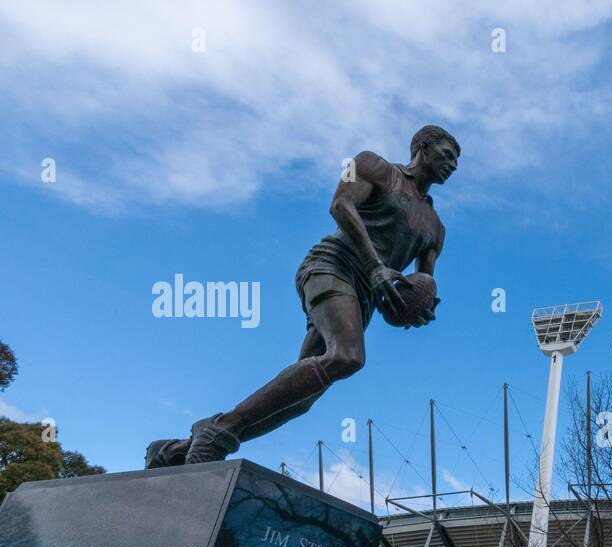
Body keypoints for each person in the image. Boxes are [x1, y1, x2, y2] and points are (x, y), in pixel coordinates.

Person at [145, 124, 458, 467]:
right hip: (334, 265)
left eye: (457, 161)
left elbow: (423, 280)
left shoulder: (435, 228)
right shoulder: (372, 165)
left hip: (366, 294)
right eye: (447, 154)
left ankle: (177, 448)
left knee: (303, 397)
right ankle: (219, 434)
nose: (453, 165)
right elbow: (340, 205)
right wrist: (374, 266)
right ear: (423, 147)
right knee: (347, 356)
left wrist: (421, 307)